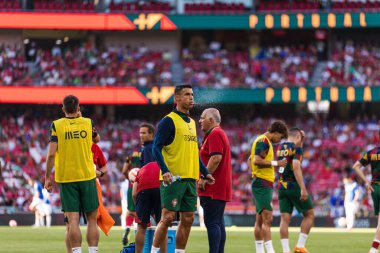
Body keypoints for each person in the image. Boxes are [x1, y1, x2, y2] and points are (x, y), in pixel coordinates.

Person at [150, 84, 215, 253]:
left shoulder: (193, 123)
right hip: (173, 179)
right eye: (187, 94)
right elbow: (156, 148)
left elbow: (194, 153)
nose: (191, 97)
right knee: (168, 217)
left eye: (192, 94)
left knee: (188, 218)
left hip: (190, 179)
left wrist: (205, 173)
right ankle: (153, 251)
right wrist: (164, 170)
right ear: (176, 99)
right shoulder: (168, 121)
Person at [45, 95, 100, 253]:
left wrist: (47, 177)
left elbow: (50, 155)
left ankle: (76, 251)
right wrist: (81, 119)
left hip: (67, 178)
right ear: (79, 108)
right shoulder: (88, 122)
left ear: (63, 109)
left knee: (73, 220)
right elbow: (97, 139)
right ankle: (93, 251)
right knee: (91, 219)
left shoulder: (56, 125)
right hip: (88, 176)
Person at [249, 120, 288, 253]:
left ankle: (260, 250)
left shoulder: (262, 141)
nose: (279, 140)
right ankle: (270, 251)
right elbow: (256, 160)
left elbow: (250, 160)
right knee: (268, 217)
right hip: (262, 183)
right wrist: (277, 163)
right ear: (276, 131)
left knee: (260, 219)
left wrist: (254, 173)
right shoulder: (263, 141)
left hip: (261, 181)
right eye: (281, 136)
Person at [198, 108, 232, 253]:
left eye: (202, 118)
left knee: (212, 223)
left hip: (212, 186)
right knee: (218, 223)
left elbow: (216, 158)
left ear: (211, 120)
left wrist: (205, 177)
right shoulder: (218, 133)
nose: (199, 121)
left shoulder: (215, 133)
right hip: (219, 186)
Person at [277, 128, 314, 253]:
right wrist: (303, 189)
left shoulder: (281, 148)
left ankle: (285, 250)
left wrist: (301, 140)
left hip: (282, 186)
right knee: (309, 214)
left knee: (284, 219)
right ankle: (300, 246)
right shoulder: (297, 148)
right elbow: (296, 166)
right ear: (298, 137)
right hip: (294, 186)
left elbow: (291, 155)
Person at [121, 122, 155, 246]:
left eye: (143, 133)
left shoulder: (134, 153)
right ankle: (154, 244)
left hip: (135, 185)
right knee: (155, 217)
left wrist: (130, 180)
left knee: (133, 212)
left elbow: (125, 170)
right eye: (140, 133)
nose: (141, 135)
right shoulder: (155, 149)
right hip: (151, 184)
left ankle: (128, 229)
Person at [351, 141, 380, 253]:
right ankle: (373, 249)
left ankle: (374, 248)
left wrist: (366, 182)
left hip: (375, 188)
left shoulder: (372, 152)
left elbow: (356, 166)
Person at [133, 162, 166, 253]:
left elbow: (133, 194)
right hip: (160, 188)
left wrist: (139, 208)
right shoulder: (163, 165)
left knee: (141, 227)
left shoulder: (141, 169)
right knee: (163, 226)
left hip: (143, 191)